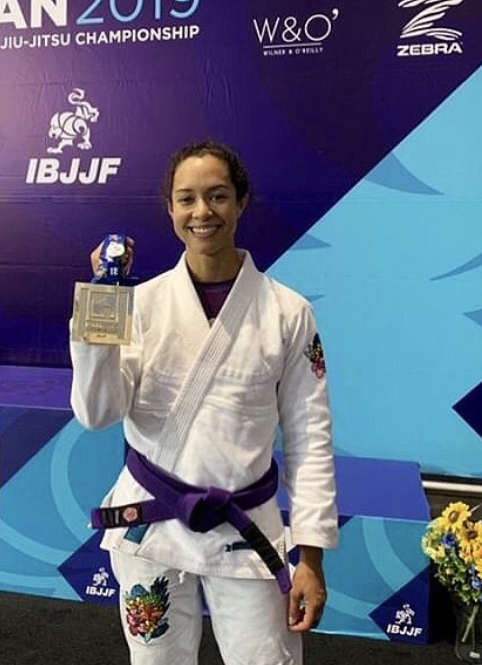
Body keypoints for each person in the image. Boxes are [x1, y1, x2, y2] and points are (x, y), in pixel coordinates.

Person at [70, 140, 338, 665]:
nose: (201, 212)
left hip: (246, 526)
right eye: (186, 199)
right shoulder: (138, 303)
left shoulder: (288, 312)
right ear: (170, 209)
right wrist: (101, 306)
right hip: (152, 524)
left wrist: (311, 558)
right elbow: (96, 412)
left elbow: (310, 435)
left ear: (240, 202)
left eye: (217, 196)